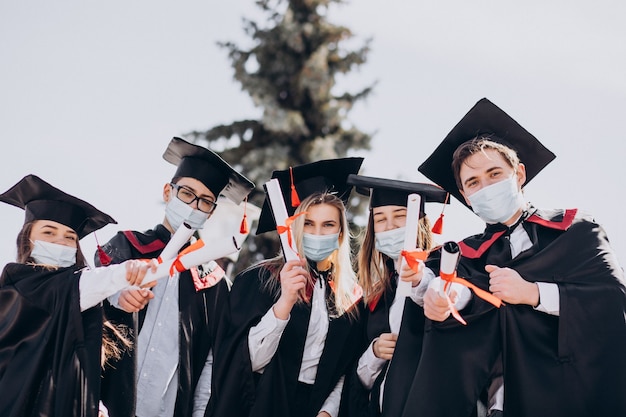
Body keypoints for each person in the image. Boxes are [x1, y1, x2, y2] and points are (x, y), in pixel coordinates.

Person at [402, 98, 626, 417]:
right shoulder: (467, 253)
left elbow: (611, 301)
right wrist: (432, 292)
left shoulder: (577, 232)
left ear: (518, 173)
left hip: (564, 398)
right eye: (473, 182)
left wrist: (533, 293)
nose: (486, 186)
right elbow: (449, 288)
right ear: (465, 195)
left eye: (495, 174)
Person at [96, 137, 255, 417]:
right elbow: (90, 303)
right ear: (168, 192)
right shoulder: (126, 246)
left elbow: (209, 364)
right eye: (186, 193)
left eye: (206, 201)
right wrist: (119, 294)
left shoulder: (214, 283)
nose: (194, 206)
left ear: (212, 212)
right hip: (106, 402)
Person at [206, 158, 366, 417]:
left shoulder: (350, 296)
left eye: (328, 225)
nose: (318, 233)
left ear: (340, 233)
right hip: (263, 405)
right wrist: (285, 303)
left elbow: (347, 367)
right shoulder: (259, 280)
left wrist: (328, 411)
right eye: (309, 224)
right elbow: (243, 364)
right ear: (294, 227)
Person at [0, 174, 156, 417]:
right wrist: (126, 272)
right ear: (27, 239)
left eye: (69, 237)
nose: (60, 243)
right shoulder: (17, 285)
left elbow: (87, 373)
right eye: (49, 233)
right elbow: (76, 287)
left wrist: (98, 407)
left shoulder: (84, 301)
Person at [344, 174, 449, 417]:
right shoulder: (377, 295)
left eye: (401, 216)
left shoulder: (444, 267)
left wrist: (419, 279)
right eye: (380, 219)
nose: (390, 226)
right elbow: (357, 379)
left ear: (419, 222)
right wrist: (374, 353)